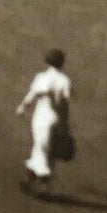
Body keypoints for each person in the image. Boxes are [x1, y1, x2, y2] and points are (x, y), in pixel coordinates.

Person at [17, 49, 72, 193]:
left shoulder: (42, 77)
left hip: (42, 117)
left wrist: (23, 107)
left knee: (41, 146)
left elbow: (32, 95)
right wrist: (65, 124)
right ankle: (32, 180)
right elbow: (65, 104)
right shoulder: (65, 80)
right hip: (57, 119)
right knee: (46, 149)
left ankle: (42, 180)